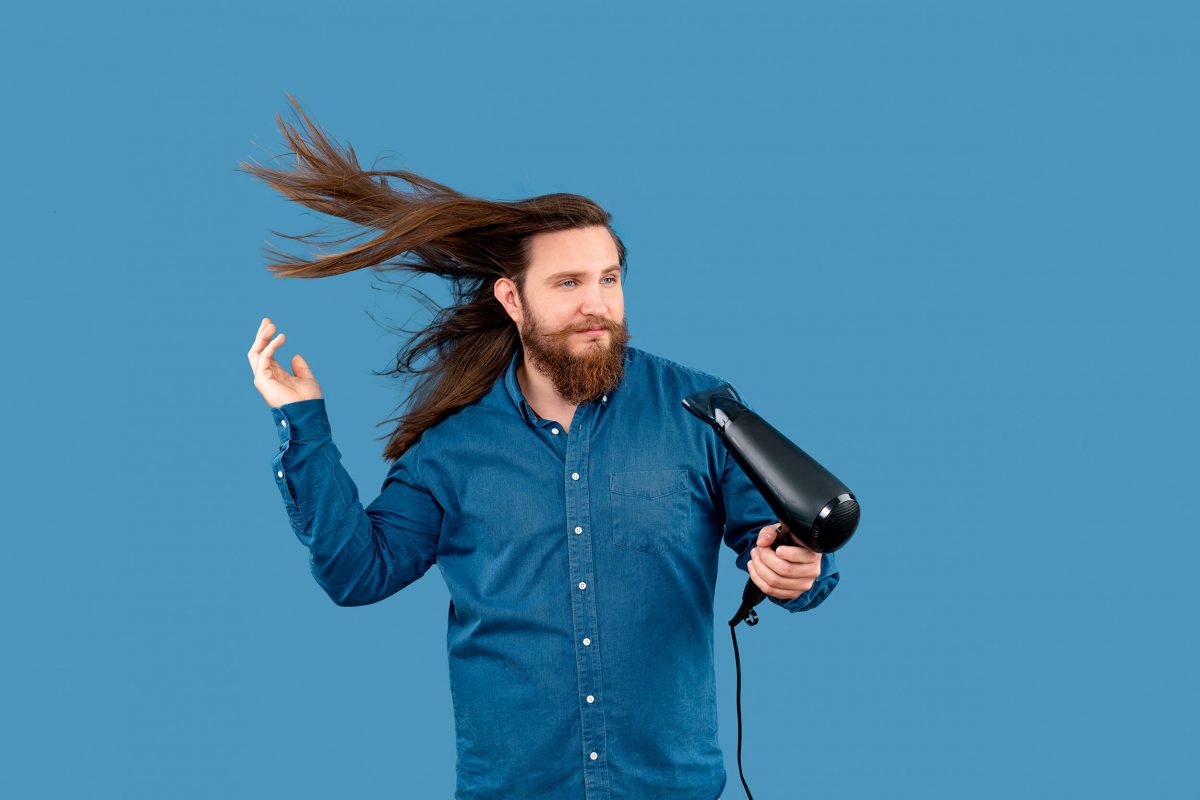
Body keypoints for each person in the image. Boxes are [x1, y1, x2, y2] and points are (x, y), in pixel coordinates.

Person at [242, 96, 840, 800]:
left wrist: (796, 567)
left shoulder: (702, 410)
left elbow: (779, 544)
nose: (598, 304)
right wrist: (302, 421)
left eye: (609, 279)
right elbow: (356, 574)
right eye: (569, 283)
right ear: (512, 299)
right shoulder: (453, 447)